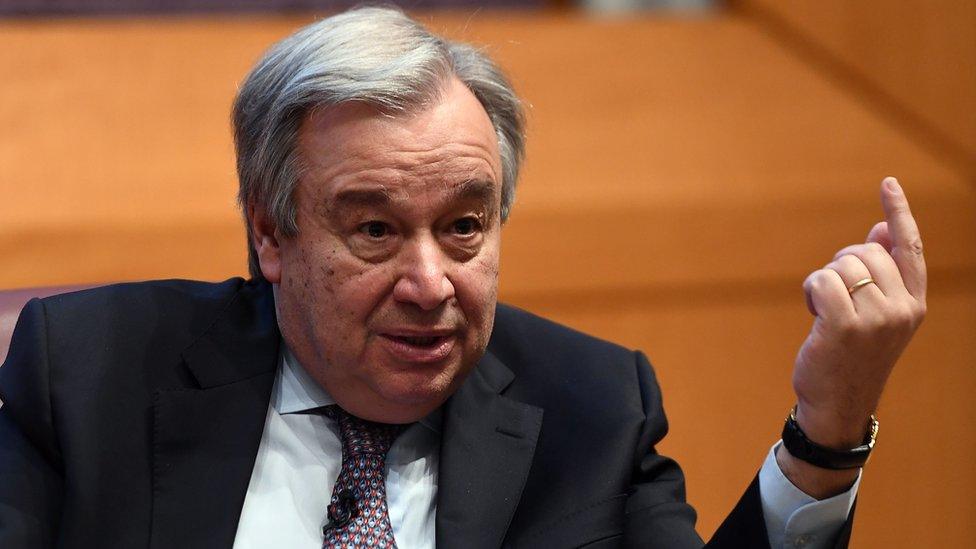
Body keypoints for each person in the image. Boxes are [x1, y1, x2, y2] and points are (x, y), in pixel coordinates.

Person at [0, 6, 926, 548]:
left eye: (464, 227)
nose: (432, 281)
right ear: (270, 230)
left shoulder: (593, 408)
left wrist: (829, 425)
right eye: (374, 229)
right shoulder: (88, 376)